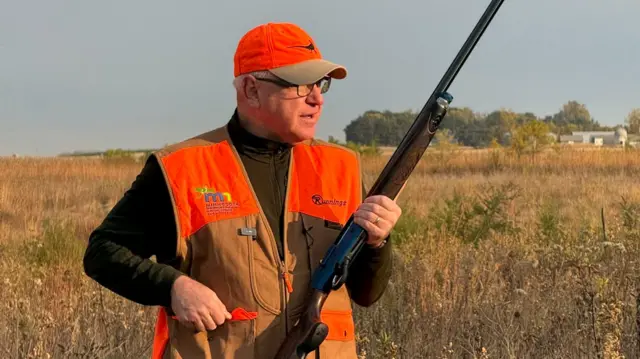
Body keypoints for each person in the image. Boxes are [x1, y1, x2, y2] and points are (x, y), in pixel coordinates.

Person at [83, 22, 402, 359]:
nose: (317, 99)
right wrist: (173, 287)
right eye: (301, 85)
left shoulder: (340, 168)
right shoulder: (183, 169)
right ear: (251, 89)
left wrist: (378, 242)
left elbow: (366, 294)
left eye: (321, 84)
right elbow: (103, 252)